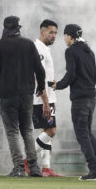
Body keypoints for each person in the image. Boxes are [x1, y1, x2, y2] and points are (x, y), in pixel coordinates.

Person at [0, 15, 48, 177]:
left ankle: (19, 168)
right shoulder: (28, 44)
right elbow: (40, 69)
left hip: (7, 93)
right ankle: (34, 168)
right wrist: (41, 87)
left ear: (5, 28)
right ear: (18, 28)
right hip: (27, 93)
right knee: (27, 130)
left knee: (12, 131)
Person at [53, 24, 96, 181]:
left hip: (80, 98)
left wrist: (58, 85)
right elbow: (94, 76)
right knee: (86, 131)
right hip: (91, 96)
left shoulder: (71, 51)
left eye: (65, 36)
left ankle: (93, 170)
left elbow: (70, 75)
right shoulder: (89, 51)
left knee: (81, 134)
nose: (64, 39)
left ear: (71, 37)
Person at [33, 19, 62, 177]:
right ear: (42, 32)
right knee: (51, 131)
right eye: (51, 32)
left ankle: (45, 168)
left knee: (46, 131)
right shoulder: (39, 49)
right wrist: (45, 100)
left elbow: (47, 77)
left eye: (56, 33)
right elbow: (39, 76)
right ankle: (27, 159)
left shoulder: (44, 48)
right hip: (40, 98)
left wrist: (53, 98)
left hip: (48, 96)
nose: (54, 36)